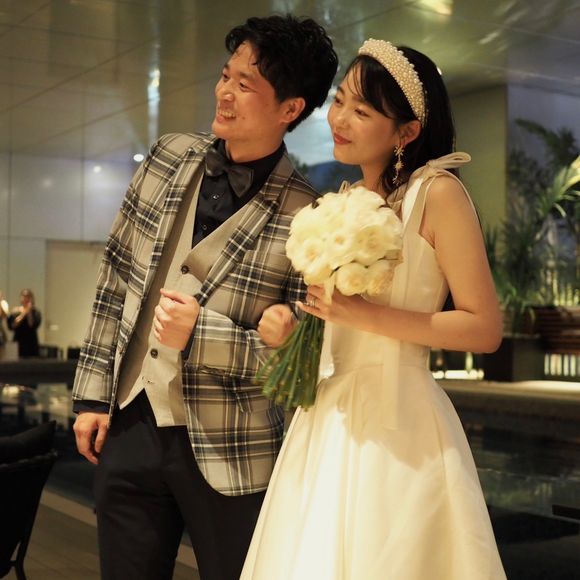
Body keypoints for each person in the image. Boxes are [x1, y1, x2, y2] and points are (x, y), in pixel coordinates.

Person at [71, 14, 337, 580]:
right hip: (132, 422)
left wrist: (202, 335)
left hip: (233, 450)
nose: (224, 92)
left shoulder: (308, 216)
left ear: (291, 108)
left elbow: (298, 364)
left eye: (246, 84)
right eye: (225, 75)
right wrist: (92, 396)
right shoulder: (168, 156)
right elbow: (114, 276)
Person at [241, 39, 507, 579]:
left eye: (362, 111)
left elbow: (484, 328)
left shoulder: (437, 193)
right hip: (327, 418)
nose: (340, 119)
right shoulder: (347, 202)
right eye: (340, 101)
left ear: (406, 132)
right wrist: (292, 332)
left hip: (398, 419)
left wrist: (362, 315)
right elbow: (339, 327)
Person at [7, 289, 42, 358]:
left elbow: (31, 325)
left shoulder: (36, 312)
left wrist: (29, 311)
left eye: (28, 297)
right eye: (24, 296)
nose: (26, 299)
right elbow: (13, 325)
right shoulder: (15, 312)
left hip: (31, 343)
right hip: (18, 342)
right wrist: (24, 312)